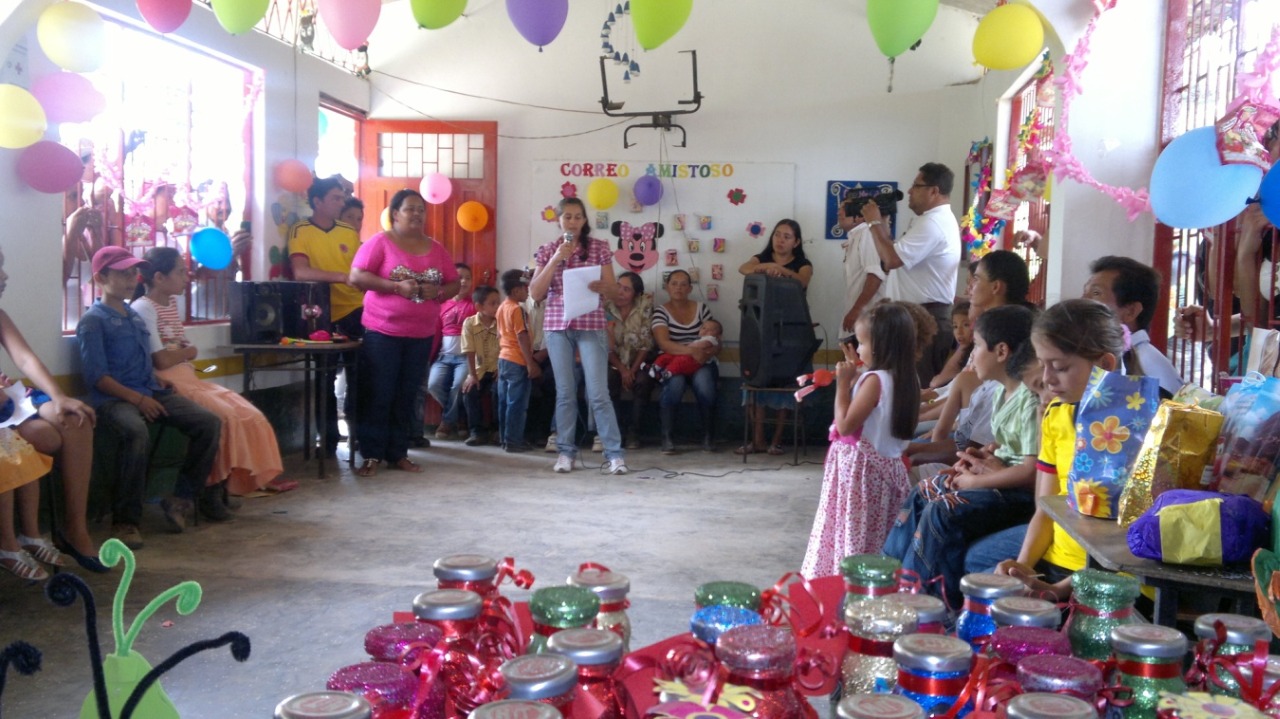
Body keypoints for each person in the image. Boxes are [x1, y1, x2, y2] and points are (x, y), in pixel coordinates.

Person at [882, 305, 1041, 607]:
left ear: (1001, 351)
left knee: (943, 510)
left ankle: (928, 604)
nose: (972, 354)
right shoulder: (1001, 393)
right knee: (925, 490)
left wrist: (975, 481)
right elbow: (1005, 445)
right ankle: (890, 578)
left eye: (977, 346)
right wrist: (974, 459)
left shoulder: (1030, 400)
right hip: (996, 481)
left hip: (1016, 493)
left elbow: (1031, 469)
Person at [77, 246, 224, 549]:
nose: (131, 279)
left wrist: (155, 381)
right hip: (114, 401)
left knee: (208, 422)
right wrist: (138, 400)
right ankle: (126, 521)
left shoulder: (134, 316)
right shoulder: (93, 321)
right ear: (100, 278)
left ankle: (180, 498)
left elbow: (142, 360)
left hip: (149, 391)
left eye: (134, 272)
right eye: (122, 273)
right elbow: (99, 378)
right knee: (136, 432)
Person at [989, 299, 1125, 599]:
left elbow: (1134, 543)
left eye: (1060, 367)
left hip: (1113, 580)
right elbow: (1046, 508)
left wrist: (1058, 591)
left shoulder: (1142, 427)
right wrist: (1022, 568)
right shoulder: (1056, 415)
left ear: (1104, 364)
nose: (1048, 379)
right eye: (1043, 365)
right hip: (1054, 562)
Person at [132, 247, 285, 500]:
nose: (187, 277)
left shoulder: (171, 303)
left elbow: (177, 347)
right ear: (159, 277)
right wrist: (186, 352)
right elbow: (162, 359)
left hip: (189, 377)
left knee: (249, 414)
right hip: (169, 383)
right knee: (225, 417)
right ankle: (210, 492)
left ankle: (230, 485)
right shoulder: (143, 308)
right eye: (180, 272)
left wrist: (184, 351)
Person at [0, 245, 102, 576]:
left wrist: (58, 396)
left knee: (74, 419)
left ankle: (74, 528)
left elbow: (25, 358)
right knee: (42, 438)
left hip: (9, 400)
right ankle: (20, 539)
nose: (4, 276)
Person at [801, 302, 919, 579]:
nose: (859, 349)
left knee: (853, 537)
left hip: (861, 476)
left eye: (863, 343)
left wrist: (842, 385)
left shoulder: (875, 381)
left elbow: (845, 426)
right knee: (876, 539)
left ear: (880, 345)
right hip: (886, 473)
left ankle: (848, 587)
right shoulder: (906, 377)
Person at [349, 188, 460, 477]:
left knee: (406, 395)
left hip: (421, 335)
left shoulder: (436, 248)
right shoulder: (380, 242)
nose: (417, 214)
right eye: (410, 208)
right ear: (395, 214)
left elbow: (454, 283)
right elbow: (356, 276)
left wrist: (439, 292)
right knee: (379, 393)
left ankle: (398, 453)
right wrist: (396, 287)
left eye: (421, 209)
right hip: (382, 332)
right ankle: (371, 454)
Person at [529, 197, 627, 475]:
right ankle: (565, 452)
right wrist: (556, 259)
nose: (572, 222)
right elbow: (535, 293)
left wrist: (603, 287)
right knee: (565, 392)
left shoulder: (599, 247)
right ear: (558, 220)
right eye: (567, 217)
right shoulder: (548, 250)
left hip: (591, 323)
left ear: (584, 220)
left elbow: (615, 291)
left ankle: (614, 454)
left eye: (577, 217)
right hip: (558, 326)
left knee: (598, 392)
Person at [862, 163, 962, 384]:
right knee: (903, 385)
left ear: (934, 191)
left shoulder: (933, 222)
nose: (909, 191)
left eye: (916, 186)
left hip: (925, 317)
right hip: (916, 315)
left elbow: (892, 260)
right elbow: (893, 256)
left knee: (916, 387)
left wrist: (873, 222)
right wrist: (883, 225)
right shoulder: (930, 220)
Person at [289, 176, 364, 455]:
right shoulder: (301, 230)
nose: (341, 203)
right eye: (336, 198)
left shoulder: (348, 231)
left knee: (359, 377)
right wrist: (341, 277)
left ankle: (360, 438)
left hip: (355, 308)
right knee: (324, 378)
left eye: (342, 198)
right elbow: (301, 272)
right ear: (317, 201)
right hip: (321, 314)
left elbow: (360, 269)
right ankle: (329, 440)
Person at [736, 219, 814, 456]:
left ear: (796, 242)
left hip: (791, 331)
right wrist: (767, 266)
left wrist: (781, 271)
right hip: (761, 331)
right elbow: (743, 268)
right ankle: (757, 439)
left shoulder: (803, 264)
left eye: (787, 236)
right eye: (777, 234)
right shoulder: (761, 258)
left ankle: (777, 441)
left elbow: (802, 281)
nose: (780, 240)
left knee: (787, 383)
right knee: (757, 380)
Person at [1084, 256, 1184, 396]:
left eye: (1096, 293)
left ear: (1131, 311)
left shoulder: (1144, 367)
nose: (1083, 301)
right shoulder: (1126, 357)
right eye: (1085, 292)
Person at [651, 269, 721, 455]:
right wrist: (692, 351)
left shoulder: (702, 308)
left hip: (701, 362)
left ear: (690, 288)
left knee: (705, 385)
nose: (678, 288)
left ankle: (709, 436)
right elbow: (664, 343)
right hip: (674, 360)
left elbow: (715, 338)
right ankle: (667, 437)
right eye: (674, 284)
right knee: (675, 384)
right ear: (667, 287)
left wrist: (707, 353)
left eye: (683, 284)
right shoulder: (660, 312)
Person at [605, 271, 655, 450]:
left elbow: (646, 343)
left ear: (636, 294)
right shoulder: (606, 307)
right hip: (613, 360)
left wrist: (631, 370)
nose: (620, 292)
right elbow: (605, 344)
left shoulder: (645, 306)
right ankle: (616, 431)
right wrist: (622, 369)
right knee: (608, 380)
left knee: (643, 381)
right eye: (618, 286)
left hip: (638, 361)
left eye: (626, 289)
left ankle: (634, 432)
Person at [425, 263, 475, 441]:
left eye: (468, 278)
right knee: (433, 385)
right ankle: (459, 416)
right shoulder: (441, 304)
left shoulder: (474, 305)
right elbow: (436, 333)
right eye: (460, 278)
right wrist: (430, 358)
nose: (464, 281)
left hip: (464, 358)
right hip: (443, 357)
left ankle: (446, 422)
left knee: (458, 385)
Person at [496, 269, 540, 452]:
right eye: (525, 288)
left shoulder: (502, 307)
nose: (528, 291)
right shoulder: (517, 310)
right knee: (517, 403)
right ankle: (514, 441)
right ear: (516, 291)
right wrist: (530, 363)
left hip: (503, 359)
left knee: (504, 402)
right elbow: (521, 336)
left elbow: (499, 335)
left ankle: (505, 439)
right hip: (517, 361)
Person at [839, 199, 886, 333]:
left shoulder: (867, 233)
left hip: (868, 319)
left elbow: (875, 275)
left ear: (860, 216)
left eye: (845, 208)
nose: (839, 212)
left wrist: (856, 310)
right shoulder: (856, 235)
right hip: (860, 318)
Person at [462, 286, 500, 447]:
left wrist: (501, 368)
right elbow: (469, 350)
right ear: (479, 306)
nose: (497, 306)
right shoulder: (470, 323)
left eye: (498, 302)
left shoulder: (501, 322)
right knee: (469, 390)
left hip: (497, 370)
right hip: (478, 371)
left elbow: (506, 346)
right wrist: (472, 375)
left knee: (499, 390)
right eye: (493, 303)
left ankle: (497, 430)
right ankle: (476, 431)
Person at [646, 319, 722, 382]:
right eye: (704, 328)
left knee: (679, 364)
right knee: (667, 356)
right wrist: (689, 349)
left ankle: (666, 373)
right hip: (682, 352)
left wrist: (691, 347)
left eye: (710, 330)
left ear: (717, 334)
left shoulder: (711, 339)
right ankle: (655, 366)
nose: (706, 331)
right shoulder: (661, 313)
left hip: (695, 360)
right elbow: (663, 343)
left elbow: (705, 344)